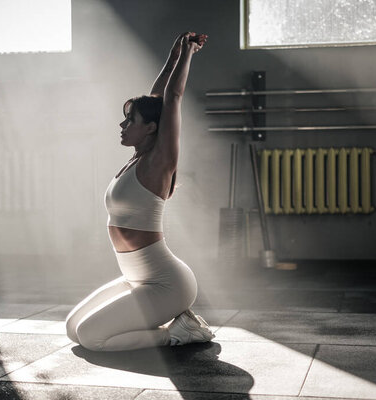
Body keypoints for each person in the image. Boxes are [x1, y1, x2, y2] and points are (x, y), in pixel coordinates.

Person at [65, 32, 214, 352]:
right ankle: (161, 321)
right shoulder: (137, 160)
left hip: (166, 285)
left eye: (129, 120)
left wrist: (188, 53)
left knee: (93, 337)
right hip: (137, 279)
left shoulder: (159, 163)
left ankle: (181, 331)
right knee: (73, 329)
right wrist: (172, 55)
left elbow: (171, 98)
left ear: (149, 128)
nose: (122, 125)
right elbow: (156, 99)